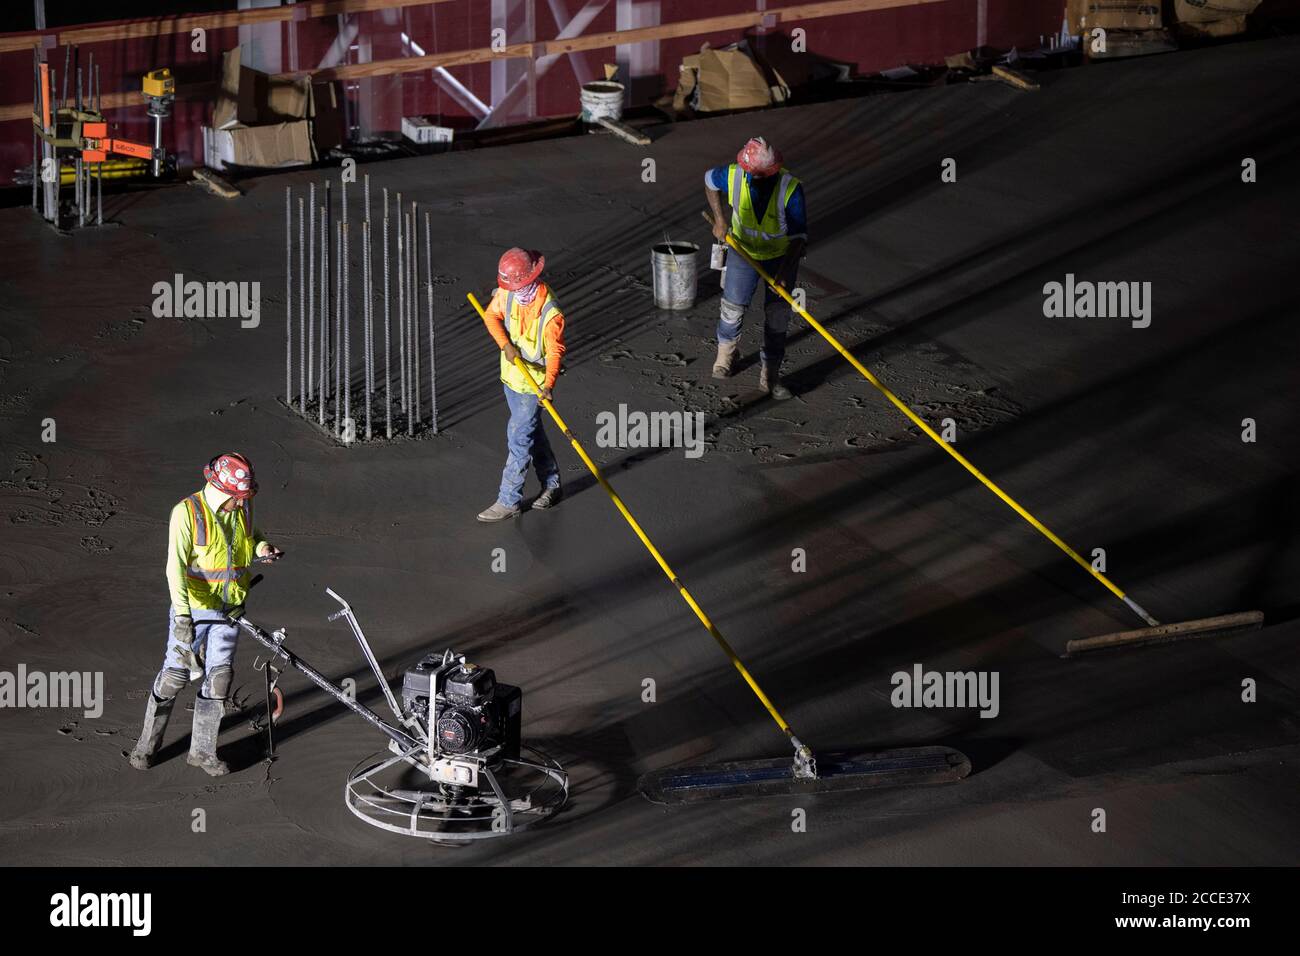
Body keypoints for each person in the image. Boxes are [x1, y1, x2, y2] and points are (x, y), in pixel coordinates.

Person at [128, 453, 282, 775]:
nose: (241, 505)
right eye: (236, 499)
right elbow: (175, 570)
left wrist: (263, 548)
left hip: (231, 610)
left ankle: (201, 752)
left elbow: (252, 537)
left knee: (220, 677)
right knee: (174, 677)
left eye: (244, 498)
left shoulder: (243, 508)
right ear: (221, 491)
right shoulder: (186, 513)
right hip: (195, 611)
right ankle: (146, 746)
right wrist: (183, 618)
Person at [705, 136, 807, 400]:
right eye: (751, 173)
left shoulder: (790, 189)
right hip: (742, 251)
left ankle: (770, 375)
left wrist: (783, 274)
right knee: (732, 307)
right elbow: (708, 181)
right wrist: (719, 219)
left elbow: (799, 240)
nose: (753, 178)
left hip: (780, 258)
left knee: (778, 315)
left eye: (761, 175)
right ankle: (725, 357)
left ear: (773, 171)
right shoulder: (734, 174)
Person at [476, 247, 567, 522]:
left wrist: (548, 385)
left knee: (518, 438)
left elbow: (555, 353)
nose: (513, 291)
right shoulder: (509, 293)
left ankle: (509, 501)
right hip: (512, 379)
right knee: (532, 432)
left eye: (517, 286)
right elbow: (490, 316)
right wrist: (505, 345)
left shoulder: (550, 314)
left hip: (533, 387)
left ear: (529, 279)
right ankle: (551, 485)